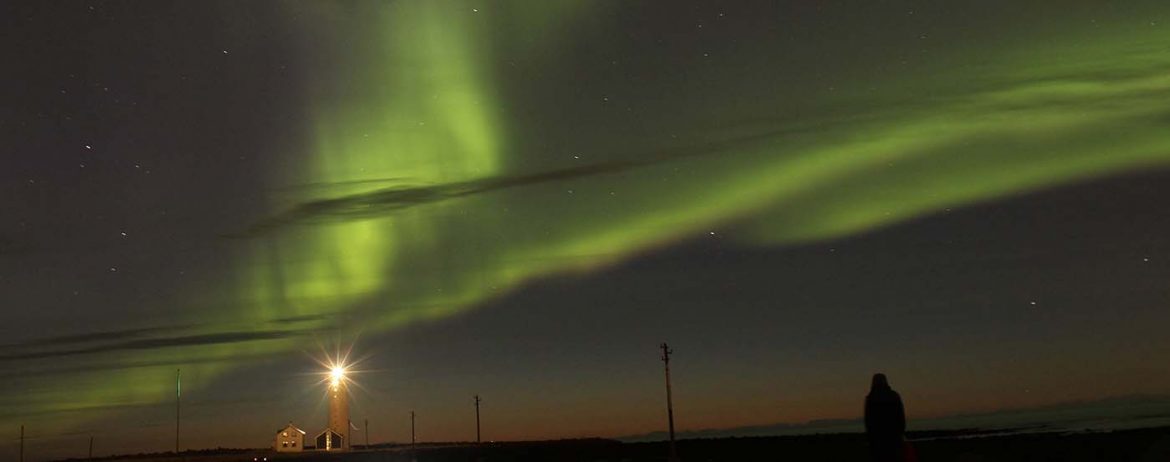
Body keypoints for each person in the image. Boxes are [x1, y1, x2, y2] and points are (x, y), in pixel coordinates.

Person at [865, 373, 906, 462]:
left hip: (877, 439)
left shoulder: (870, 398)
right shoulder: (894, 395)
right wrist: (900, 432)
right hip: (894, 437)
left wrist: (871, 437)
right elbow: (901, 416)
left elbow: (868, 420)